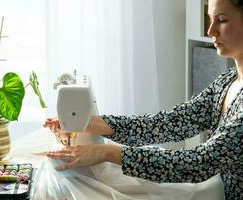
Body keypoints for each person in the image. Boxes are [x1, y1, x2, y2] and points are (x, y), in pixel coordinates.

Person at [44, 0, 243, 199]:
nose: (211, 31)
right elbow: (169, 123)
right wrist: (92, 123)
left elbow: (199, 163)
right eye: (210, 19)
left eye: (221, 20)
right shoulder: (226, 83)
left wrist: (107, 152)